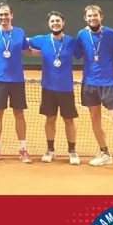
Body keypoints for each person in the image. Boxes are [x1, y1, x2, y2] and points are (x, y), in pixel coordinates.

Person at [77, 4, 113, 176]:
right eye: (89, 16)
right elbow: (74, 51)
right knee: (95, 118)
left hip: (109, 83)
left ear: (101, 16)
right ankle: (104, 153)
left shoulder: (111, 34)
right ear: (85, 18)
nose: (92, 18)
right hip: (89, 83)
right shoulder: (81, 34)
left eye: (95, 15)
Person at [0, 3, 34, 164]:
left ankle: (22, 149)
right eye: (1, 15)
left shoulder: (19, 32)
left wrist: (48, 53)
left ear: (11, 15)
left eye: (6, 14)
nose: (4, 17)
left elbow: (28, 51)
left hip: (17, 80)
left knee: (19, 114)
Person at [28, 11, 83, 165]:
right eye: (52, 21)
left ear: (63, 22)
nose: (55, 23)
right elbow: (22, 41)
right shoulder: (41, 39)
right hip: (48, 88)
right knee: (50, 119)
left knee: (69, 120)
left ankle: (72, 151)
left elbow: (82, 53)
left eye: (58, 21)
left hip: (66, 89)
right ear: (48, 24)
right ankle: (50, 150)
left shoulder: (71, 42)